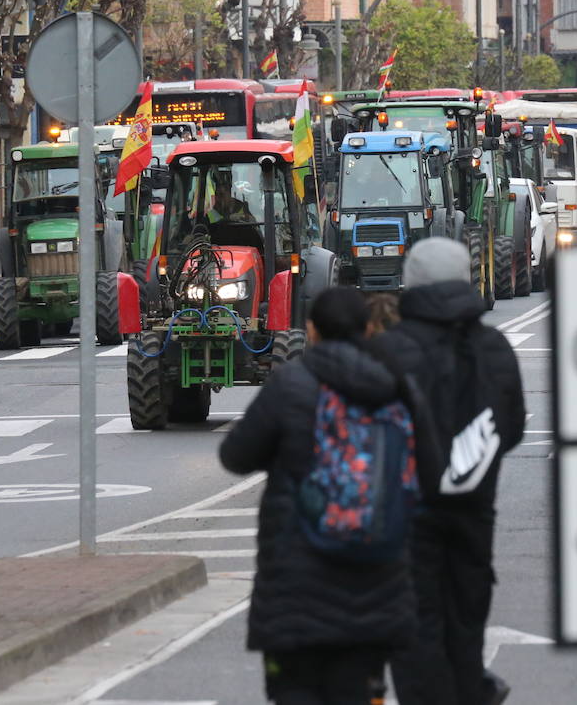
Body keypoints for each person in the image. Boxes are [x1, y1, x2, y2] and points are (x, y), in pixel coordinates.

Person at [219, 286, 440, 705]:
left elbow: (235, 456)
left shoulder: (291, 384)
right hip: (377, 579)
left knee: (295, 692)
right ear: (366, 327)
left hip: (296, 584)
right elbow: (431, 472)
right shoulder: (397, 385)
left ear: (312, 329)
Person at [375, 237, 526, 705]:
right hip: (474, 515)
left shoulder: (388, 351)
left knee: (416, 633)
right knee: (465, 628)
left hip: (405, 522)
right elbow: (513, 427)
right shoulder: (494, 348)